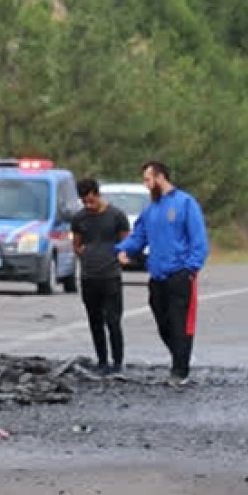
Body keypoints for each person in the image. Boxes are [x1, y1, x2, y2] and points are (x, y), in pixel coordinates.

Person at [116, 161, 209, 386]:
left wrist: (191, 268)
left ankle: (180, 370)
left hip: (180, 273)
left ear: (160, 177)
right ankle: (178, 358)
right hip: (157, 276)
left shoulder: (185, 203)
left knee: (180, 324)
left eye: (148, 179)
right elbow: (139, 236)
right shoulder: (151, 209)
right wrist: (122, 249)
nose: (145, 184)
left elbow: (199, 240)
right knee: (163, 323)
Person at [71, 178, 130, 376]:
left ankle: (117, 361)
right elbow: (76, 244)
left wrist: (119, 257)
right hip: (89, 276)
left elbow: (126, 241)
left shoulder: (116, 216)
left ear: (98, 195)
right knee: (94, 320)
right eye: (84, 202)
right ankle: (102, 360)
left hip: (110, 275)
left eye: (91, 201)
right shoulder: (80, 218)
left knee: (113, 320)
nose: (89, 205)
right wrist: (85, 254)